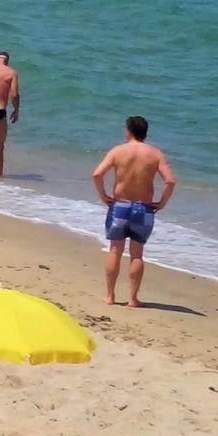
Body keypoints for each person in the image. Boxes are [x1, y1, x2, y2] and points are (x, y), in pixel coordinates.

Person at [90, 115, 176, 307]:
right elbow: (170, 181)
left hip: (119, 206)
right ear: (145, 133)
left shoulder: (118, 151)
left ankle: (110, 296)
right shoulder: (155, 154)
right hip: (143, 208)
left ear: (128, 131)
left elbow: (97, 174)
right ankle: (133, 298)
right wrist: (162, 203)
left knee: (115, 250)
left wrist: (103, 196)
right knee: (137, 254)